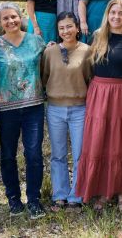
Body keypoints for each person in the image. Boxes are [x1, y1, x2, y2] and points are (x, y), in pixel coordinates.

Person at [76, 0, 122, 212]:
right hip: (100, 94)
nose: (116, 17)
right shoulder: (97, 36)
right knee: (101, 140)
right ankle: (103, 191)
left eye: (121, 13)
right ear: (108, 14)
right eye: (113, 12)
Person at [0, 3, 47, 219]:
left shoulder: (35, 41)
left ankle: (34, 199)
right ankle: (13, 198)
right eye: (5, 19)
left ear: (21, 17)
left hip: (33, 106)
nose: (11, 21)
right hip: (5, 109)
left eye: (13, 16)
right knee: (8, 156)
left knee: (33, 154)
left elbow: (45, 68)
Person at [42, 12, 92, 213]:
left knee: (80, 153)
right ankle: (60, 194)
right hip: (55, 109)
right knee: (58, 154)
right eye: (61, 28)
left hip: (80, 108)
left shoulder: (87, 51)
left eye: (69, 26)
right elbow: (44, 76)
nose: (66, 31)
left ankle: (76, 195)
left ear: (77, 28)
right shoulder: (50, 52)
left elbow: (91, 77)